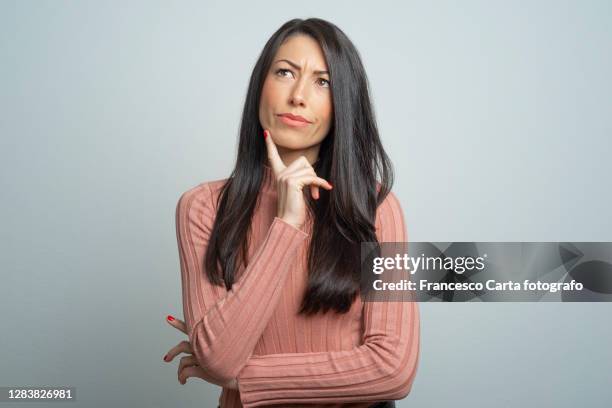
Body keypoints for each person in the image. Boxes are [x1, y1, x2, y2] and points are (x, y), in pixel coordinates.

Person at [163, 18, 420, 408]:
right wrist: (285, 225)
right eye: (285, 72)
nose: (299, 95)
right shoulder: (203, 208)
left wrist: (243, 377)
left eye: (323, 82)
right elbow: (218, 358)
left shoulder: (377, 209)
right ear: (259, 86)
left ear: (342, 105)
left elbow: (392, 369)